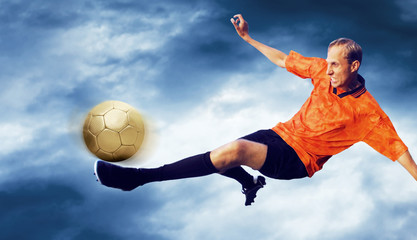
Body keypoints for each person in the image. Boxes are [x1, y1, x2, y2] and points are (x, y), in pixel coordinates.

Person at [94, 14, 417, 206]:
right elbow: (282, 59)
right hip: (279, 135)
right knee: (220, 156)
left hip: (298, 160)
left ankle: (137, 179)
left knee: (233, 151)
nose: (328, 70)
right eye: (328, 62)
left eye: (335, 64)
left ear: (354, 65)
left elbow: (402, 155)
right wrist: (249, 38)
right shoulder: (321, 70)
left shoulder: (369, 115)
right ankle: (248, 183)